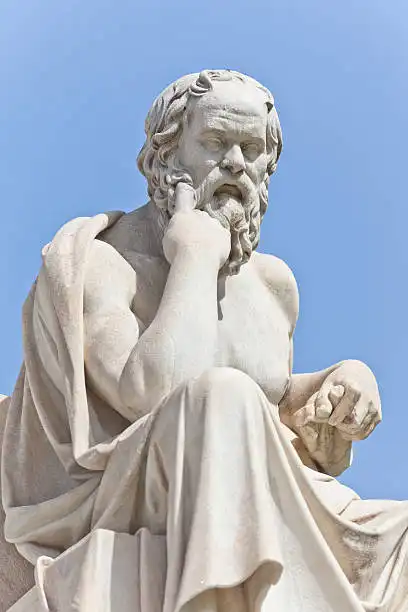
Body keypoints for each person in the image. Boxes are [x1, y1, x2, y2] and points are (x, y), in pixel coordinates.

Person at [2, 70, 408, 611]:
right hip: (125, 495)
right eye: (216, 142)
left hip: (243, 482)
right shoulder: (101, 262)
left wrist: (336, 382)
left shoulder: (273, 284)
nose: (236, 163)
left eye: (252, 149)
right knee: (221, 396)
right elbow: (154, 392)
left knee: (401, 534)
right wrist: (194, 254)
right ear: (166, 154)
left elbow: (270, 401)